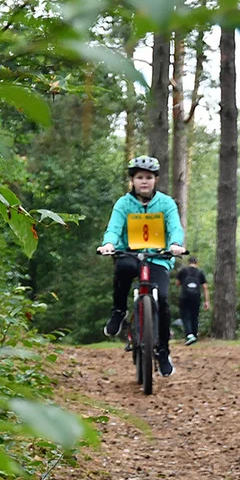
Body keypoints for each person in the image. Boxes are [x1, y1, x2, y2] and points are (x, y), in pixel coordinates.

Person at [97, 155, 185, 377]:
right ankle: (119, 311)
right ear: (132, 180)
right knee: (123, 269)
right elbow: (114, 228)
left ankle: (163, 351)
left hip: (159, 258)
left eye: (148, 177)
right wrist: (108, 244)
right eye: (139, 177)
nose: (144, 182)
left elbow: (175, 227)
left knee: (163, 299)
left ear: (155, 179)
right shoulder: (123, 204)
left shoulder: (166, 203)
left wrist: (175, 244)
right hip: (130, 254)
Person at [176, 256, 209, 345]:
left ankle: (189, 335)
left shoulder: (183, 271)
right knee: (195, 316)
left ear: (188, 262)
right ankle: (194, 335)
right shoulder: (200, 272)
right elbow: (205, 287)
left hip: (185, 296)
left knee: (185, 316)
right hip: (196, 297)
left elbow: (177, 283)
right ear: (197, 262)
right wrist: (207, 301)